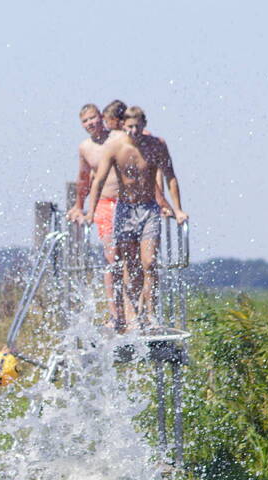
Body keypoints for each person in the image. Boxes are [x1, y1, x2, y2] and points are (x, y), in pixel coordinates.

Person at [85, 107, 188, 331]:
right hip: (125, 211)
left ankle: (150, 315)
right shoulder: (114, 147)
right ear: (123, 126)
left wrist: (178, 209)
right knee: (129, 266)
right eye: (130, 127)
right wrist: (90, 211)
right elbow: (99, 180)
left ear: (144, 124)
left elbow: (170, 176)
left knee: (149, 263)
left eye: (138, 126)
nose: (134, 131)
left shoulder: (156, 145)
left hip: (149, 209)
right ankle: (132, 317)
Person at [65, 102, 126, 326]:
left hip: (127, 202)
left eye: (93, 118)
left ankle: (132, 311)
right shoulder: (85, 148)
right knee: (112, 258)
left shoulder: (118, 138)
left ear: (101, 117)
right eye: (85, 121)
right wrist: (78, 205)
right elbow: (83, 178)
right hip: (103, 203)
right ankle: (115, 313)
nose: (90, 123)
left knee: (130, 258)